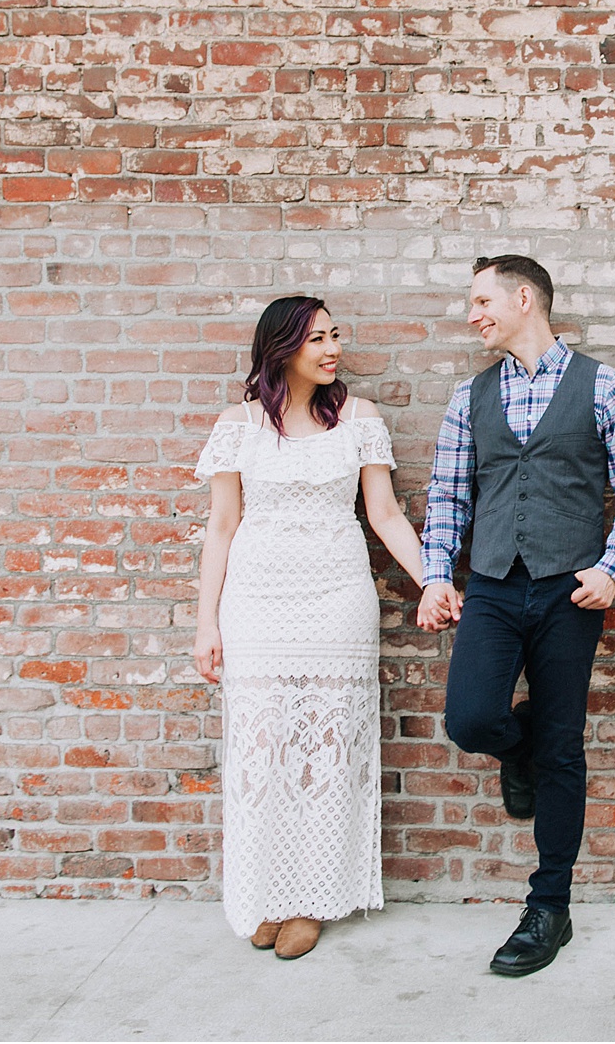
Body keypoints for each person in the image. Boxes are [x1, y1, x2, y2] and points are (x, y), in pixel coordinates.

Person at [417, 255, 615, 977]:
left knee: (561, 746)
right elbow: (447, 496)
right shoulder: (470, 395)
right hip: (491, 585)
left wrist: (611, 568)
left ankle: (550, 905)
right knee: (471, 720)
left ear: (526, 299)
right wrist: (437, 578)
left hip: (568, 591)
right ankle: (513, 746)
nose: (473, 314)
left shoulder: (602, 385)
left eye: (483, 299)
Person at [193, 294, 425, 960]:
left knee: (325, 755)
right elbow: (221, 526)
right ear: (282, 348)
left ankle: (308, 898)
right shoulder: (238, 426)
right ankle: (266, 891)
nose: (333, 348)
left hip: (336, 599)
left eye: (335, 335)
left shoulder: (359, 419)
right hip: (259, 599)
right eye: (317, 338)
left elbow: (383, 514)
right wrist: (206, 623)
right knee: (262, 751)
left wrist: (430, 578)